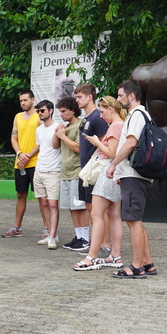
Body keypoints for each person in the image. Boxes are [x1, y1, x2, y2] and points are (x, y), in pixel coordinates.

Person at [106, 80, 157, 279]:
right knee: (135, 221)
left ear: (131, 96)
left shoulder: (136, 115)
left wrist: (113, 165)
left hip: (133, 175)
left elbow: (130, 143)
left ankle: (136, 266)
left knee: (133, 220)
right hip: (135, 175)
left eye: (120, 95)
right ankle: (147, 263)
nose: (119, 99)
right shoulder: (142, 115)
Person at [73, 96, 127, 271]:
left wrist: (97, 142)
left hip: (107, 171)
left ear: (111, 109)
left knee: (96, 215)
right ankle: (115, 256)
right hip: (116, 173)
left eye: (103, 112)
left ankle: (92, 257)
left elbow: (111, 152)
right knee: (114, 215)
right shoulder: (123, 125)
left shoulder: (115, 126)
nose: (101, 116)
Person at [73, 83, 109, 254]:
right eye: (76, 96)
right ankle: (97, 243)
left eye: (80, 97)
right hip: (85, 170)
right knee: (89, 207)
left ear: (89, 97)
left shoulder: (97, 117)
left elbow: (106, 145)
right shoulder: (86, 119)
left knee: (99, 210)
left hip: (95, 170)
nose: (77, 100)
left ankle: (106, 244)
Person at [2, 90, 41, 238]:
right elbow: (14, 138)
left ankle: (47, 230)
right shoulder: (18, 117)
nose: (23, 103)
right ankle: (16, 227)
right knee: (20, 195)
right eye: (21, 101)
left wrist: (29, 155)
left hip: (36, 162)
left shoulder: (39, 117)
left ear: (32, 99)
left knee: (41, 197)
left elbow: (42, 140)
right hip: (20, 163)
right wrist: (20, 154)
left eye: (25, 100)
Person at [53, 97, 87, 250]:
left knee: (80, 206)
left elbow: (79, 148)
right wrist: (57, 133)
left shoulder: (81, 125)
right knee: (72, 207)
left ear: (73, 110)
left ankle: (86, 238)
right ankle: (78, 236)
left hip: (77, 171)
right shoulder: (65, 128)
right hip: (65, 173)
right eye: (60, 111)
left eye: (64, 111)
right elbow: (55, 146)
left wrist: (63, 136)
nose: (61, 114)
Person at [32, 100, 62, 250]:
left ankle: (52, 237)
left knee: (52, 204)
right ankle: (51, 234)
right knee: (43, 202)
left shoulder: (58, 127)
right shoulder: (39, 130)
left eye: (42, 110)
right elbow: (40, 147)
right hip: (40, 169)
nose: (40, 113)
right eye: (38, 111)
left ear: (51, 110)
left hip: (53, 171)